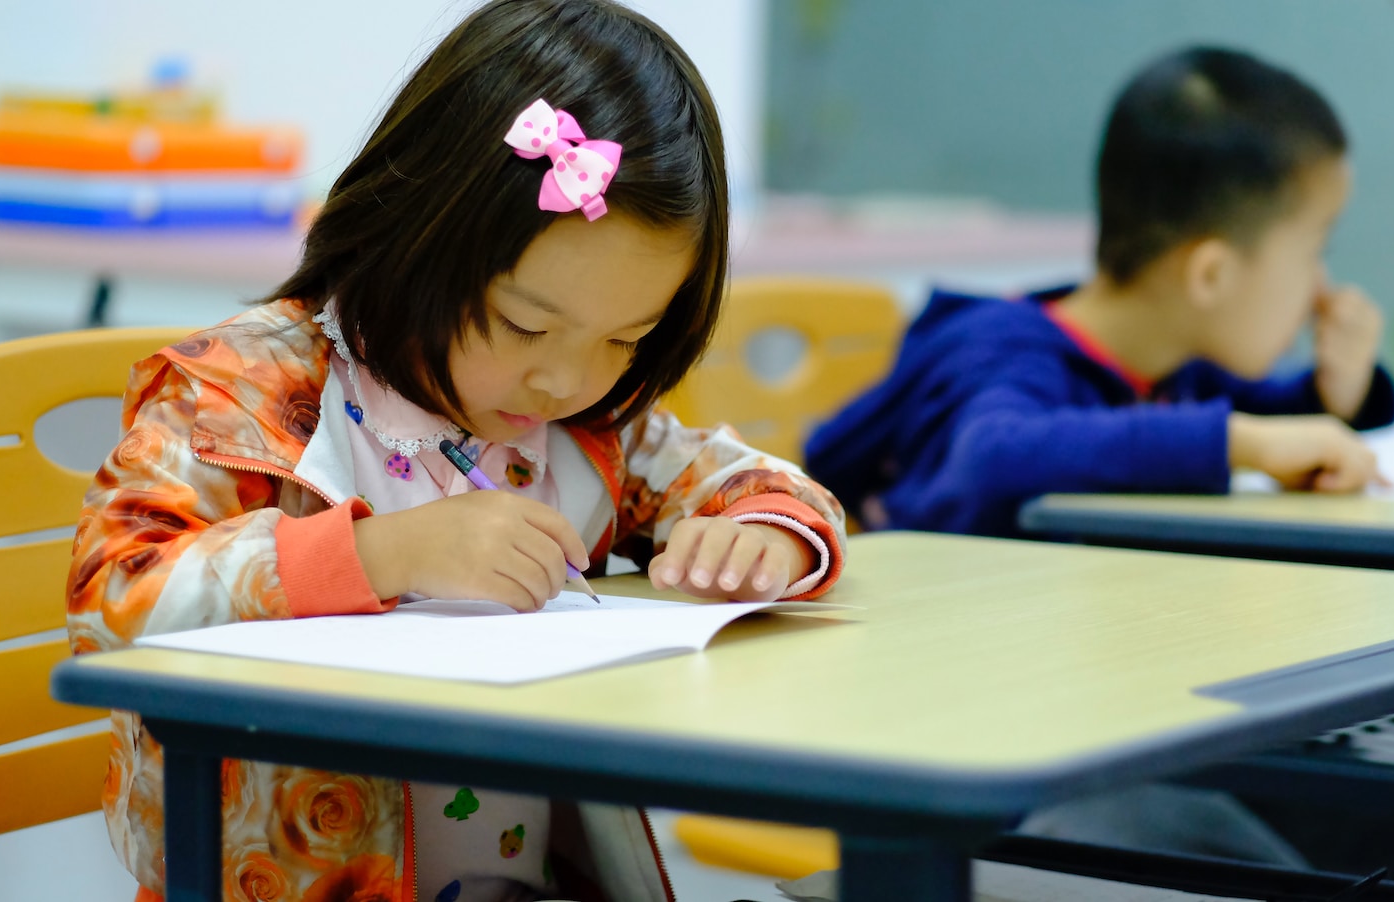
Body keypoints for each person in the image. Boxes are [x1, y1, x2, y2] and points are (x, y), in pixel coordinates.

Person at [65, 2, 846, 900]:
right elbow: (113, 593)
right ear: (417, 230)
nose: (565, 379)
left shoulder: (582, 430)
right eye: (525, 324)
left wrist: (766, 533)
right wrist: (379, 553)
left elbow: (747, 480)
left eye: (625, 339)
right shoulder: (247, 386)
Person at [805, 46, 1394, 538]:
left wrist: (1334, 395)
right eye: (1316, 251)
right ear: (1210, 275)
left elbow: (1267, 421)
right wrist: (1236, 441)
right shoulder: (1004, 352)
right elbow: (995, 456)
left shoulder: (1175, 363)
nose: (1320, 286)